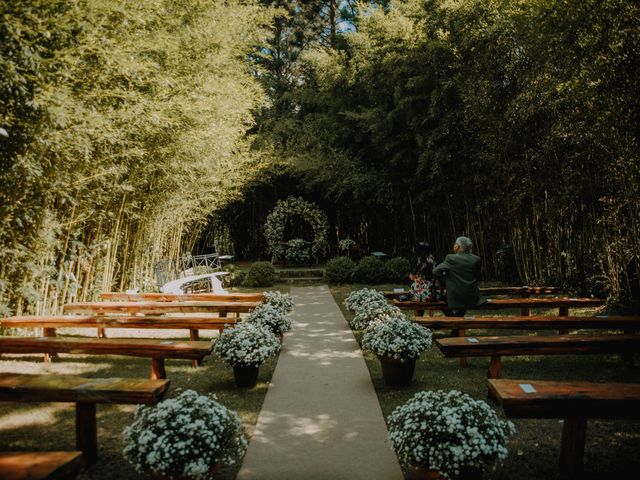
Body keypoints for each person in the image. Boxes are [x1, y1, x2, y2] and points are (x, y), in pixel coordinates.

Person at [433, 236, 486, 316]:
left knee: (441, 299)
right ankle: (457, 323)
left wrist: (445, 281)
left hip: (454, 297)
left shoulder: (451, 258)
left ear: (457, 246)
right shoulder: (476, 259)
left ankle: (455, 324)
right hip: (472, 297)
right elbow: (477, 276)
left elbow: (436, 271)